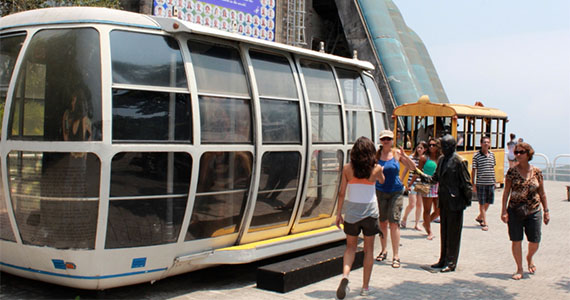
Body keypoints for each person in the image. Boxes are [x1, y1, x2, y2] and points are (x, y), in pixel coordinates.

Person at [412, 134, 472, 272]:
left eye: (444, 146)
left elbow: (466, 184)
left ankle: (451, 263)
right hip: (444, 200)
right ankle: (443, 259)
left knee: (454, 233)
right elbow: (435, 179)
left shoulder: (460, 161)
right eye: (441, 146)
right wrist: (419, 173)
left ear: (452, 146)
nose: (442, 149)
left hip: (456, 202)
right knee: (444, 231)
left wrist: (466, 201)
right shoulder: (442, 159)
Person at [335, 136, 385, 298]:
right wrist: (380, 171)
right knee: (368, 249)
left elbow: (341, 193)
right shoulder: (376, 169)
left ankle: (345, 276)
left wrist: (338, 214)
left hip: (352, 212)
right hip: (370, 212)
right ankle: (365, 288)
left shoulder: (347, 168)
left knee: (350, 247)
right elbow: (382, 182)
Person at [500, 142, 549, 280]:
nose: (518, 155)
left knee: (535, 241)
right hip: (515, 210)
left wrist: (546, 211)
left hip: (533, 210)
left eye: (521, 152)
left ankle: (529, 257)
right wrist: (504, 211)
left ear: (528, 154)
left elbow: (542, 193)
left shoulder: (537, 172)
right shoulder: (511, 172)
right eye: (516, 152)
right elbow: (506, 193)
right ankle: (519, 268)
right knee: (516, 240)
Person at [374, 130, 406, 268]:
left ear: (393, 140)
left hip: (395, 191)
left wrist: (403, 179)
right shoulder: (376, 155)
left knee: (394, 222)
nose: (386, 141)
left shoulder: (397, 153)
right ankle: (383, 250)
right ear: (381, 141)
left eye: (388, 138)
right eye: (383, 139)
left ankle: (396, 255)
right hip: (380, 191)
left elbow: (411, 166)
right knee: (382, 222)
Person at [401, 141, 428, 231]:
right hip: (411, 183)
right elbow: (406, 169)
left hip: (422, 183)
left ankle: (417, 223)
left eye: (421, 148)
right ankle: (404, 217)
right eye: (418, 147)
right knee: (412, 204)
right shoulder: (412, 157)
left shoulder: (426, 159)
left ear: (425, 149)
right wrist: (402, 180)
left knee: (419, 205)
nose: (419, 149)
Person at [472, 136, 496, 231]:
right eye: (484, 142)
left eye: (488, 142)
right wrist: (473, 184)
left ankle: (480, 217)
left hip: (490, 181)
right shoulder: (477, 156)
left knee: (489, 201)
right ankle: (485, 222)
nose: (486, 144)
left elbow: (492, 168)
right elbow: (473, 170)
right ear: (481, 144)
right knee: (481, 203)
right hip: (481, 182)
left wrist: (494, 181)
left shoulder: (492, 155)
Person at [422, 138, 441, 240]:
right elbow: (418, 171)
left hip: (438, 185)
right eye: (430, 145)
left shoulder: (441, 158)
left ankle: (426, 223)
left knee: (439, 210)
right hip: (427, 185)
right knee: (427, 210)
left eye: (434, 145)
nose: (431, 147)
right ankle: (429, 231)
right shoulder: (424, 158)